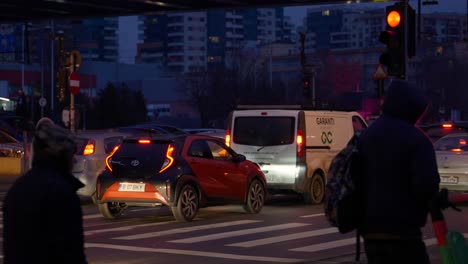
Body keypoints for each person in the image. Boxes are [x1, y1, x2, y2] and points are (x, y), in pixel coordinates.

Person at [356, 80, 440, 264]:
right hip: (404, 232)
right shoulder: (418, 140)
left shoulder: (365, 136)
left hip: (370, 231)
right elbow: (427, 185)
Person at [2, 117, 88, 264]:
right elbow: (71, 252)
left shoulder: (16, 189)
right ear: (61, 156)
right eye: (71, 155)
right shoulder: (62, 193)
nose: (74, 161)